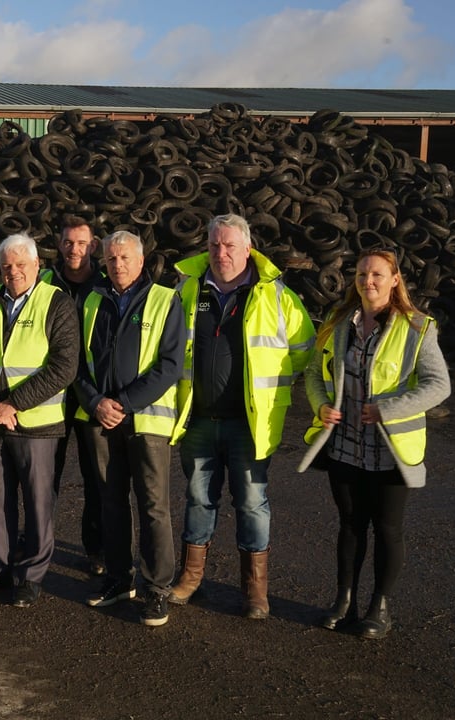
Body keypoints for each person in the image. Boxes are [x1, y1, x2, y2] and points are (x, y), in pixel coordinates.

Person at [169, 214, 316, 620]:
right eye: (215, 245)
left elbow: (305, 348)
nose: (221, 253)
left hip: (250, 424)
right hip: (198, 418)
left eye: (230, 245)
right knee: (199, 498)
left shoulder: (275, 295)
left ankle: (255, 591)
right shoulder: (188, 289)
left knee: (252, 503)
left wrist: (273, 389)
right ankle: (190, 577)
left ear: (248, 249)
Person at [298, 249, 450, 639]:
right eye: (363, 274)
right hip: (345, 445)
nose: (369, 281)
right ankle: (343, 601)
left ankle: (379, 608)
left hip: (391, 450)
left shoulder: (417, 327)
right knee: (350, 526)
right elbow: (315, 372)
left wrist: (389, 409)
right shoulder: (338, 322)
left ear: (395, 279)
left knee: (387, 529)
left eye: (378, 274)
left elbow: (439, 385)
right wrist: (321, 404)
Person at [72, 231, 184, 627]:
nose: (117, 265)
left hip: (146, 420)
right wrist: (95, 402)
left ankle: (156, 590)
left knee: (154, 506)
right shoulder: (91, 300)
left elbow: (170, 365)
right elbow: (77, 365)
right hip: (100, 419)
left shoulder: (166, 299)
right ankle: (120, 579)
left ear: (140, 260)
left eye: (124, 258)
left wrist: (124, 403)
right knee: (111, 501)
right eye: (111, 258)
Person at [0, 232, 79, 608]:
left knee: (37, 502)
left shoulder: (56, 304)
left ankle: (29, 577)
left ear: (37, 266)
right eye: (6, 266)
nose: (13, 272)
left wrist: (14, 404)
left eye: (20, 265)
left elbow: (64, 365)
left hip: (37, 425)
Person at [41, 216, 106, 576]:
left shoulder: (105, 282)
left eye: (82, 243)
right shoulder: (45, 283)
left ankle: (95, 549)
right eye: (68, 242)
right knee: (45, 475)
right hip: (52, 393)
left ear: (93, 246)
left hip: (91, 393)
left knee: (95, 477)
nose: (74, 250)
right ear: (59, 243)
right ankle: (39, 543)